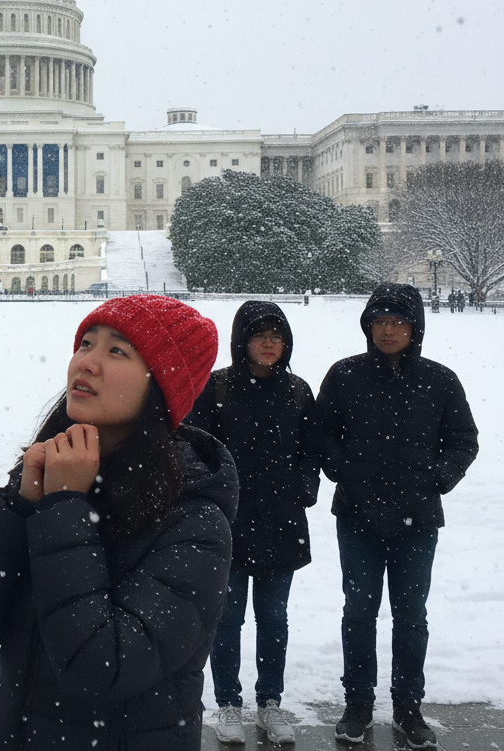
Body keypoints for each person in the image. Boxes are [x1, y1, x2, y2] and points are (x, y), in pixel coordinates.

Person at [0, 295, 237, 750]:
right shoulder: (50, 479)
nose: (87, 363)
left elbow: (100, 667)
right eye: (86, 344)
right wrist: (18, 506)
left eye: (117, 351)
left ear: (162, 386)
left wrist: (64, 506)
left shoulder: (195, 522)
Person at [317, 283, 478, 748]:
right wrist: (343, 470)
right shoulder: (345, 375)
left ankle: (409, 708)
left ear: (415, 328)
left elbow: (464, 440)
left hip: (417, 518)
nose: (388, 330)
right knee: (359, 612)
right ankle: (358, 706)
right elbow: (323, 433)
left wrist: (438, 478)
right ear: (368, 326)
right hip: (358, 516)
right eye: (380, 321)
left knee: (411, 616)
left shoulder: (440, 380)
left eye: (398, 322)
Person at [187, 301, 321, 745]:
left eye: (276, 335)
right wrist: (209, 501)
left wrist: (304, 488)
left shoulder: (298, 391)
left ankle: (270, 703)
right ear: (242, 340)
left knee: (274, 618)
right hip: (229, 520)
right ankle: (228, 703)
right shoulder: (218, 388)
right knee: (227, 618)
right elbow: (196, 449)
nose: (268, 344)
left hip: (280, 520)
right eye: (259, 334)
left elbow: (311, 450)